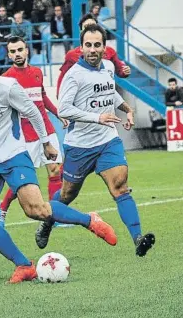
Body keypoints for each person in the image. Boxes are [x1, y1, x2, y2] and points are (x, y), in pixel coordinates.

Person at [0, 59, 117, 283]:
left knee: (36, 210)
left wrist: (47, 142)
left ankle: (89, 220)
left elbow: (33, 112)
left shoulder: (6, 87)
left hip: (14, 155)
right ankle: (24, 265)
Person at [37, 24, 155, 257]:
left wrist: (126, 108)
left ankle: (138, 238)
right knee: (67, 195)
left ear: (104, 47)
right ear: (81, 48)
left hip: (108, 141)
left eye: (97, 45)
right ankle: (47, 222)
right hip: (80, 146)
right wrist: (97, 117)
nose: (92, 49)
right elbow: (64, 109)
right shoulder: (74, 75)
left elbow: (109, 91)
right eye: (88, 45)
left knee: (120, 186)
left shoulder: (109, 67)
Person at [0, 36, 68, 227]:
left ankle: (55, 217)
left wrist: (58, 114)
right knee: (22, 179)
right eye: (13, 51)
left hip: (46, 129)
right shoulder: (5, 79)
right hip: (25, 136)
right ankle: (2, 209)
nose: (17, 54)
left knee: (54, 171)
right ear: (9, 54)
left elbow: (42, 97)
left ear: (27, 50)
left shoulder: (37, 72)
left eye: (20, 49)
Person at [56, 13, 131, 98]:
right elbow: (63, 76)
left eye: (93, 26)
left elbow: (120, 70)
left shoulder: (110, 51)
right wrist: (60, 94)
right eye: (86, 27)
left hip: (104, 99)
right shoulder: (71, 55)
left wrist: (125, 71)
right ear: (81, 32)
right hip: (82, 100)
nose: (90, 30)